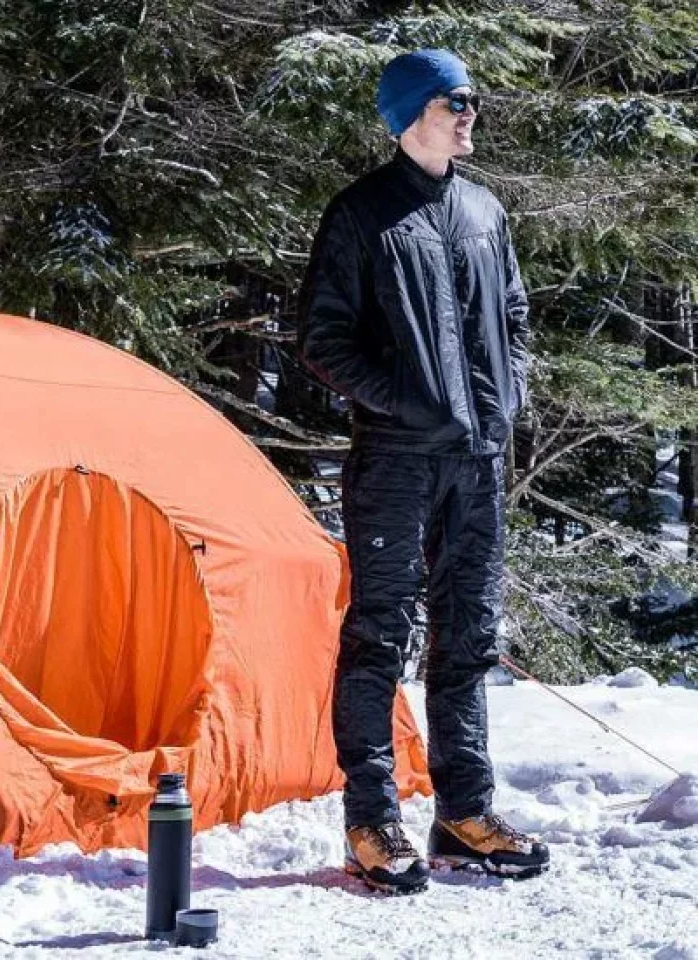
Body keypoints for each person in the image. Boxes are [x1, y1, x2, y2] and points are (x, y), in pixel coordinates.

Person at [297, 49, 550, 895]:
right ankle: (371, 822)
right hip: (396, 461)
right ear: (410, 115)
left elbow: (514, 313)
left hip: (477, 462)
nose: (471, 112)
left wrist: (506, 396)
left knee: (468, 638)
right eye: (455, 100)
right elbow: (323, 341)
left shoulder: (483, 209)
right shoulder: (361, 214)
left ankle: (465, 814)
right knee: (380, 637)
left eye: (472, 99)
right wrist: (408, 402)